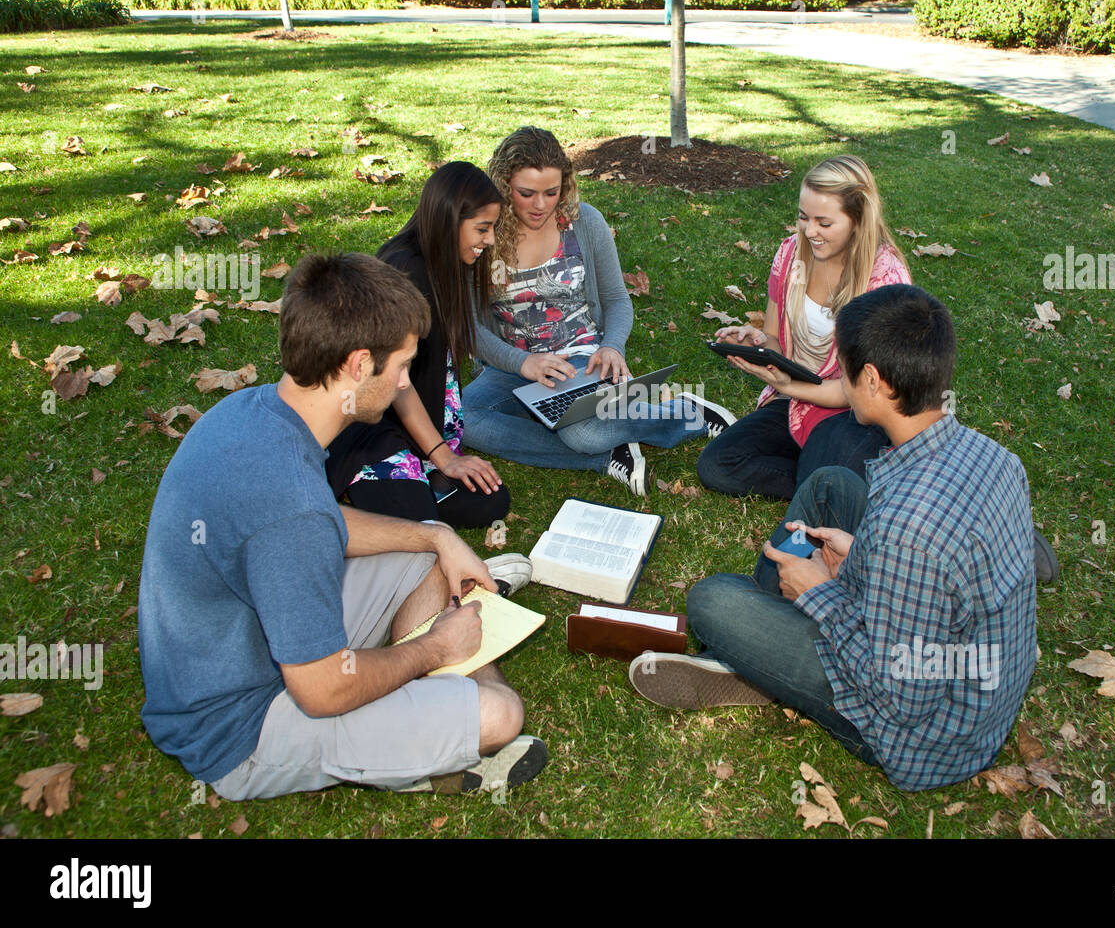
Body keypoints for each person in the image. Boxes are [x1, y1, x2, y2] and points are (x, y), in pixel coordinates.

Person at [138, 253, 547, 801]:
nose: (406, 382)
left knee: (425, 558)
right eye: (402, 366)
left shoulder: (253, 410)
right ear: (359, 365)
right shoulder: (293, 507)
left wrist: (438, 536)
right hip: (244, 725)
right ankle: (425, 724)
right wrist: (434, 651)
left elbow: (320, 525)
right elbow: (322, 690)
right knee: (500, 714)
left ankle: (417, 712)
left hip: (252, 642)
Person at [630, 284, 1051, 792]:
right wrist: (862, 558)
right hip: (972, 678)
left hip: (918, 735)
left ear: (871, 380)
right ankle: (761, 653)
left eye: (844, 370)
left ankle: (753, 659)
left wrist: (820, 594)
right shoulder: (997, 457)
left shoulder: (907, 530)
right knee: (831, 485)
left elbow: (901, 696)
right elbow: (942, 582)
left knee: (712, 600)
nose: (839, 381)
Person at [461, 126, 735, 497]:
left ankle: (688, 414)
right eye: (526, 193)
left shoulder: (584, 223)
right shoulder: (484, 234)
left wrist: (612, 347)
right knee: (464, 420)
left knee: (582, 430)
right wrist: (521, 363)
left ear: (566, 185)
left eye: (551, 192)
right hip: (512, 366)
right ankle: (605, 457)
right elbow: (473, 328)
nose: (540, 205)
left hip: (579, 359)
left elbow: (617, 300)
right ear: (502, 185)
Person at [697, 155, 910, 501]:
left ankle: (829, 478)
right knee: (716, 465)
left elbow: (866, 390)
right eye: (803, 217)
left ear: (857, 220)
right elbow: (776, 340)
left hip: (856, 413)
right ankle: (828, 482)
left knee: (826, 481)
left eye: (824, 223)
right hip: (793, 400)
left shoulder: (884, 280)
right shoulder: (791, 255)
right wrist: (758, 344)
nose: (810, 231)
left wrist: (789, 384)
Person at [324, 163, 511, 530]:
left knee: (489, 501)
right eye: (482, 229)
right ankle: (367, 491)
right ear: (448, 220)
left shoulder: (447, 260)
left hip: (416, 428)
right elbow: (395, 382)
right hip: (373, 428)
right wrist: (443, 457)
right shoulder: (405, 272)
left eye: (492, 229)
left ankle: (404, 485)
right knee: (417, 533)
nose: (489, 240)